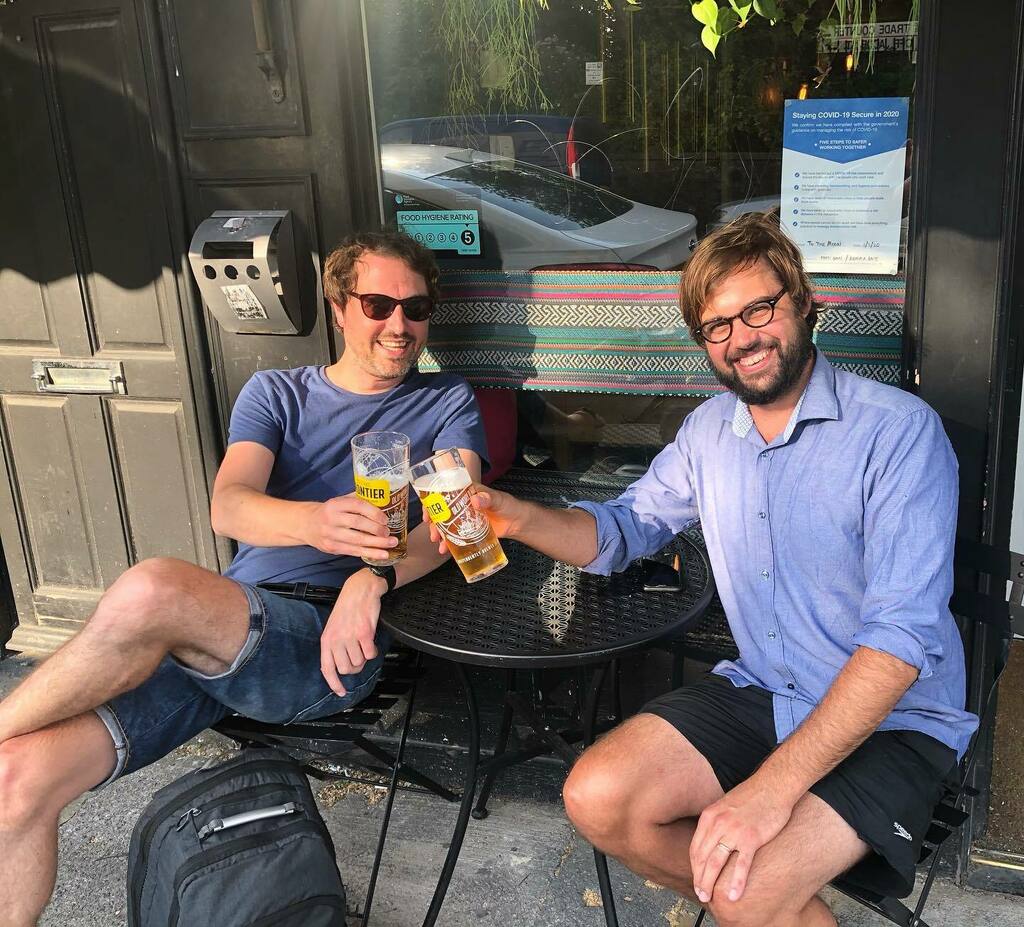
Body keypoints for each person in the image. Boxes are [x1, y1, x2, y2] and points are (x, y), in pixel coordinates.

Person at [439, 212, 978, 927]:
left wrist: (768, 794)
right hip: (767, 687)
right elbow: (622, 531)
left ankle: (756, 897)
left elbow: (898, 646)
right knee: (597, 795)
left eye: (759, 308)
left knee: (742, 892)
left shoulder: (898, 432)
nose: (741, 338)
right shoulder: (706, 432)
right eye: (717, 326)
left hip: (893, 721)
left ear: (803, 301)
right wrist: (513, 515)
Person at [0, 229, 488, 926]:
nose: (399, 325)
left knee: (154, 591)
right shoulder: (277, 392)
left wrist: (372, 576)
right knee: (15, 779)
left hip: (322, 642)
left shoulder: (443, 402)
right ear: (340, 305)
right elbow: (230, 503)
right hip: (217, 629)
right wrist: (316, 522)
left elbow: (459, 524)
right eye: (378, 303)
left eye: (416, 308)